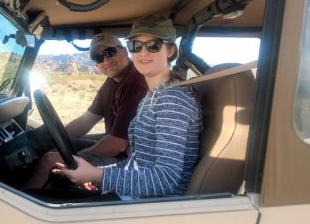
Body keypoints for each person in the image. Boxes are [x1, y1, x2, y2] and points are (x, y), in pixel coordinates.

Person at [53, 15, 203, 198]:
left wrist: (96, 174)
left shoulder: (173, 100)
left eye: (153, 45)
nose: (143, 52)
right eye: (136, 46)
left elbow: (165, 180)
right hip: (134, 193)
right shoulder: (152, 95)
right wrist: (96, 173)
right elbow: (136, 164)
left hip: (151, 205)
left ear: (170, 50)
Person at [26, 32, 148, 188]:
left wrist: (78, 158)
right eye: (98, 58)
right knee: (55, 149)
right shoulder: (112, 83)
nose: (106, 60)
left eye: (110, 52)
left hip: (132, 160)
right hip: (121, 148)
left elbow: (117, 144)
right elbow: (86, 120)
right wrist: (57, 139)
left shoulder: (135, 84)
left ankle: (21, 203)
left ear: (123, 51)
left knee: (50, 160)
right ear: (96, 64)